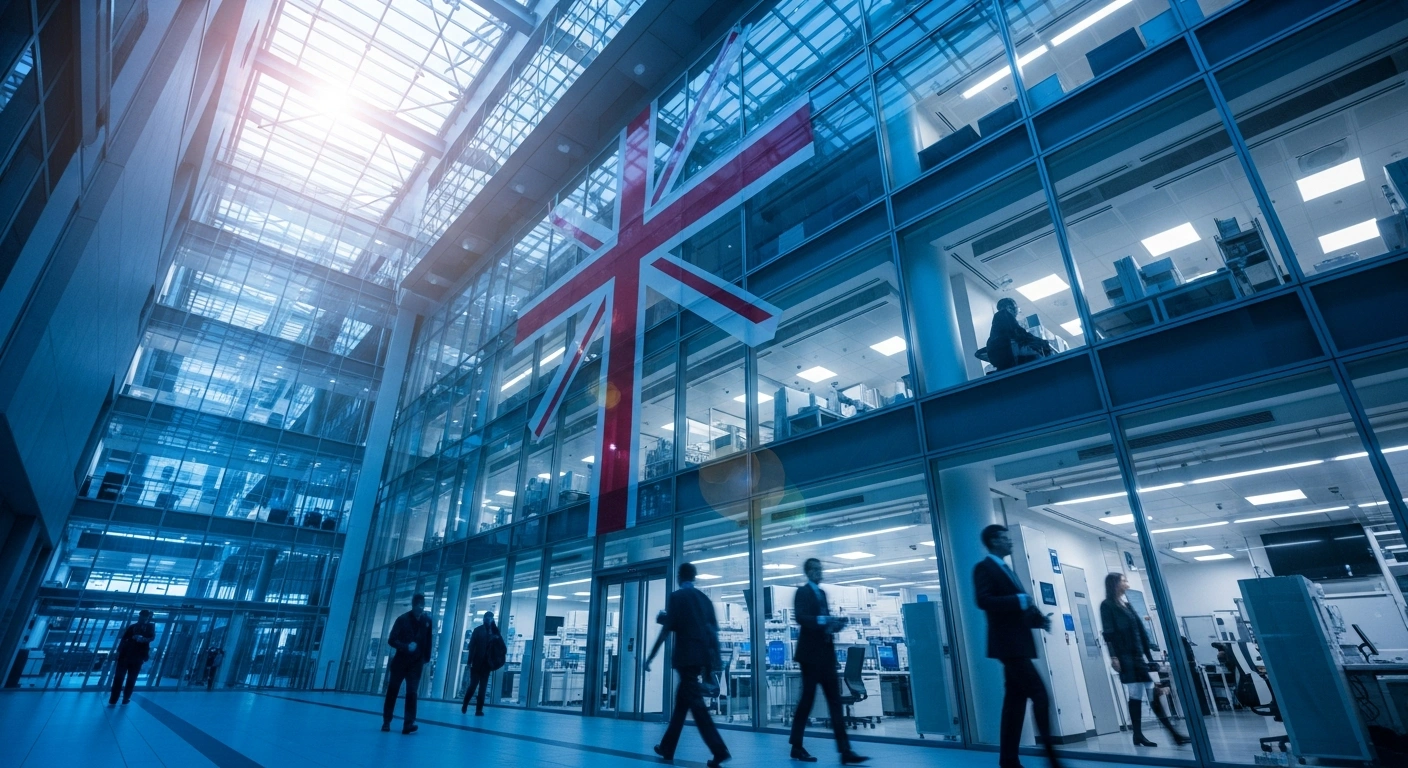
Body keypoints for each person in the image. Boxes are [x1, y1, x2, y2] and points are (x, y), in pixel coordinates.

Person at [973, 525, 1062, 768]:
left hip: (1018, 643)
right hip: (1009, 646)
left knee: (1015, 702)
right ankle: (1052, 758)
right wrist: (1018, 599)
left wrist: (1038, 619)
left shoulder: (1006, 569)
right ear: (993, 541)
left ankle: (1008, 760)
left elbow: (1017, 610)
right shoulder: (985, 567)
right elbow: (984, 600)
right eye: (1004, 539)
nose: (1010, 543)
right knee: (1040, 695)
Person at [644, 562, 730, 768]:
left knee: (698, 709)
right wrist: (713, 663)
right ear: (694, 577)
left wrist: (651, 657)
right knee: (682, 705)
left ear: (679, 577)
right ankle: (667, 747)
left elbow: (667, 629)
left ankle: (719, 751)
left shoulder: (676, 597)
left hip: (685, 660)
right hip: (700, 660)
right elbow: (712, 632)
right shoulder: (704, 599)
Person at [788, 558, 869, 765]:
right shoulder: (802, 592)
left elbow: (822, 622)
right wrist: (823, 620)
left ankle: (845, 751)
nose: (818, 572)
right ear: (807, 572)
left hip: (826, 655)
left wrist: (835, 624)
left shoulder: (822, 594)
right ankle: (796, 746)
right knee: (807, 701)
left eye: (820, 569)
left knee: (835, 703)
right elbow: (801, 618)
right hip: (810, 657)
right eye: (814, 569)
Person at [1100, 573, 1190, 747]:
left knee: (1149, 693)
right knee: (1138, 694)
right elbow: (1108, 633)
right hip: (1125, 657)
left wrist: (1149, 654)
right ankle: (1146, 735)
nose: (1127, 582)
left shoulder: (1126, 604)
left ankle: (1163, 734)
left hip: (1136, 656)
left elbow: (1139, 630)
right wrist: (1113, 656)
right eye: (1124, 580)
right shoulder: (1107, 605)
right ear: (1115, 584)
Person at [382, 593, 433, 734]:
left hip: (416, 664)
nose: (420, 608)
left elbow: (428, 641)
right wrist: (405, 646)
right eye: (418, 605)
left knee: (412, 693)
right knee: (393, 691)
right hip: (400, 662)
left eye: (422, 605)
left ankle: (408, 723)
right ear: (413, 605)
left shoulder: (427, 621)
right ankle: (387, 721)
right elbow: (391, 639)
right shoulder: (402, 619)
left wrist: (426, 659)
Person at [986, 298, 1053, 371]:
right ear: (1009, 307)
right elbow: (1017, 332)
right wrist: (1039, 341)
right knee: (1040, 352)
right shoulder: (1003, 313)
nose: (1016, 312)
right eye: (1015, 308)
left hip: (1003, 353)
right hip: (1007, 350)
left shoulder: (999, 320)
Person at [109, 609, 156, 705]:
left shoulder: (149, 627)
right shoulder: (132, 627)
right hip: (127, 656)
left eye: (144, 617)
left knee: (129, 678)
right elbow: (123, 639)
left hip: (134, 657)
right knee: (121, 678)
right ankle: (116, 699)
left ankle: (123, 698)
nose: (142, 619)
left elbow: (151, 638)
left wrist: (142, 639)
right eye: (141, 617)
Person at [462, 610, 503, 715]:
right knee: (479, 686)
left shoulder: (481, 631)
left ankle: (470, 705)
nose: (489, 620)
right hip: (483, 664)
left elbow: (472, 647)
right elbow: (472, 647)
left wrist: (469, 662)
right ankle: (477, 709)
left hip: (480, 663)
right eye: (489, 618)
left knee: (476, 686)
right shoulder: (492, 632)